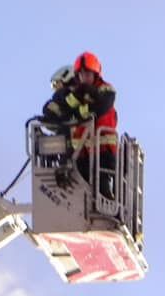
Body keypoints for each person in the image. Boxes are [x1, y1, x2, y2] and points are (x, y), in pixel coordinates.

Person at [41, 51, 119, 192]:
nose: (85, 78)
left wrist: (78, 113)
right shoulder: (75, 93)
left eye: (88, 74)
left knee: (102, 190)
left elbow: (101, 105)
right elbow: (59, 108)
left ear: (95, 74)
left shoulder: (106, 89)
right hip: (81, 156)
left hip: (104, 154)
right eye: (82, 74)